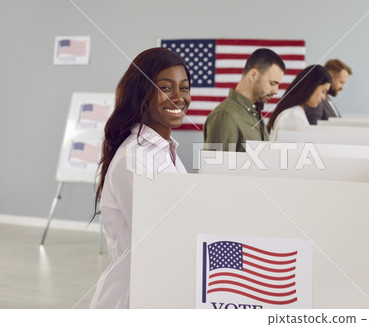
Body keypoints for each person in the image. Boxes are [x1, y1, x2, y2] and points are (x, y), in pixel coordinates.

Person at [90, 48, 191, 308]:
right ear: (141, 93)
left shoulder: (166, 152)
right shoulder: (134, 158)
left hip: (159, 289)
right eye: (166, 88)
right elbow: (160, 236)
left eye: (184, 87)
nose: (179, 98)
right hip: (130, 299)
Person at [203, 48, 285, 152]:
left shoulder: (254, 113)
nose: (276, 91)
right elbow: (216, 167)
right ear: (253, 75)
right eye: (272, 84)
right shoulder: (225, 116)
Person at [267, 65, 332, 141]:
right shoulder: (292, 116)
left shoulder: (296, 112)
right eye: (323, 91)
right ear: (312, 86)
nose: (324, 97)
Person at [303, 59, 352, 125]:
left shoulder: (327, 99)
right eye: (341, 82)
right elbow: (313, 130)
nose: (342, 87)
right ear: (330, 76)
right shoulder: (316, 102)